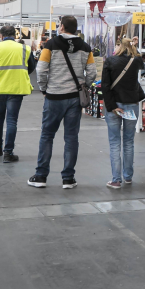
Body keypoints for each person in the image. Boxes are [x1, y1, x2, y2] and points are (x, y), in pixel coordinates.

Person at [29, 15, 95, 189]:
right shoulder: (85, 47)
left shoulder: (50, 45)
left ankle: (41, 176)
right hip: (75, 98)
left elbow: (41, 69)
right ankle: (68, 178)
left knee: (47, 135)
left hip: (54, 97)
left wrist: (43, 89)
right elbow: (93, 73)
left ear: (62, 27)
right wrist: (84, 86)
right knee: (71, 137)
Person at [0, 24, 37, 163]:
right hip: (16, 88)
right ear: (15, 35)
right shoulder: (25, 48)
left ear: (1, 36)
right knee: (12, 120)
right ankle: (8, 152)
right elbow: (31, 67)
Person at [101, 38, 145, 188]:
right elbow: (142, 63)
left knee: (115, 143)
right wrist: (134, 47)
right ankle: (128, 176)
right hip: (131, 105)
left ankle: (116, 179)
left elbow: (105, 86)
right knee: (129, 142)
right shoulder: (136, 61)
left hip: (115, 105)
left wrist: (111, 106)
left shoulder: (110, 61)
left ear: (119, 46)